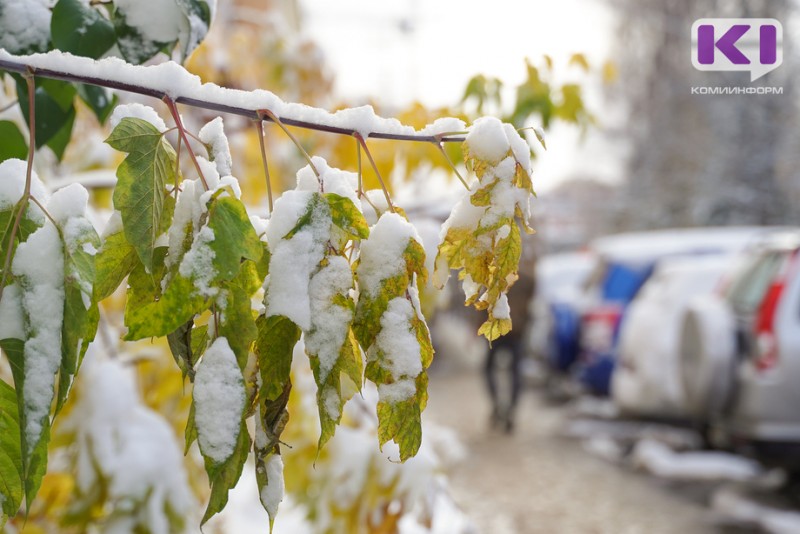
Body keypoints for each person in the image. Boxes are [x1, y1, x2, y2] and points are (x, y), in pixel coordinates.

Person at [485, 251, 536, 434]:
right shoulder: (528, 279)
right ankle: (511, 411)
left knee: (489, 369)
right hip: (518, 331)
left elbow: (484, 302)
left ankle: (497, 404)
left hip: (497, 331)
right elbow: (532, 303)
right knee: (515, 373)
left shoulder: (494, 276)